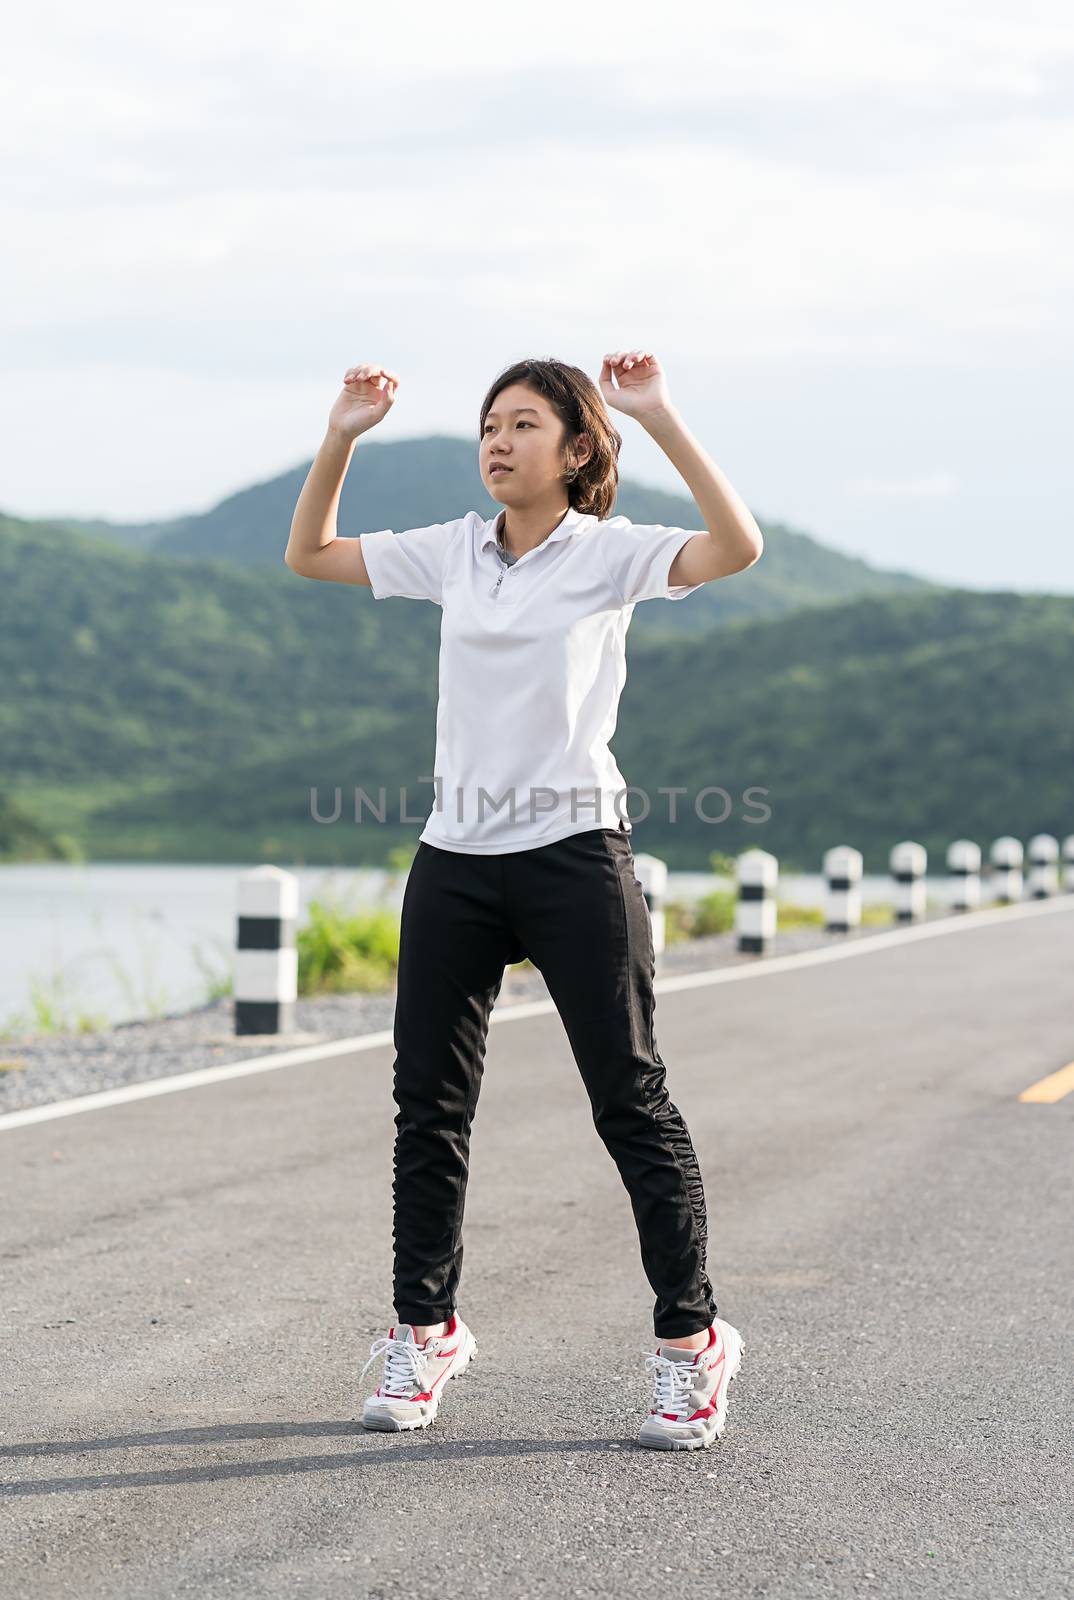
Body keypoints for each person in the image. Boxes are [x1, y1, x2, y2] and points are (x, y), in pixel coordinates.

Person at [285, 350, 763, 1451]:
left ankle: (692, 1343)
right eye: (489, 426)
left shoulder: (609, 554)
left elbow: (737, 547)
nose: (498, 442)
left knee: (629, 1100)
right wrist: (343, 434)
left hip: (574, 857)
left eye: (523, 425)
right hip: (454, 857)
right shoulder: (457, 549)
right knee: (429, 1109)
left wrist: (659, 412)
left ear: (578, 448)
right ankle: (425, 1328)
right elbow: (309, 553)